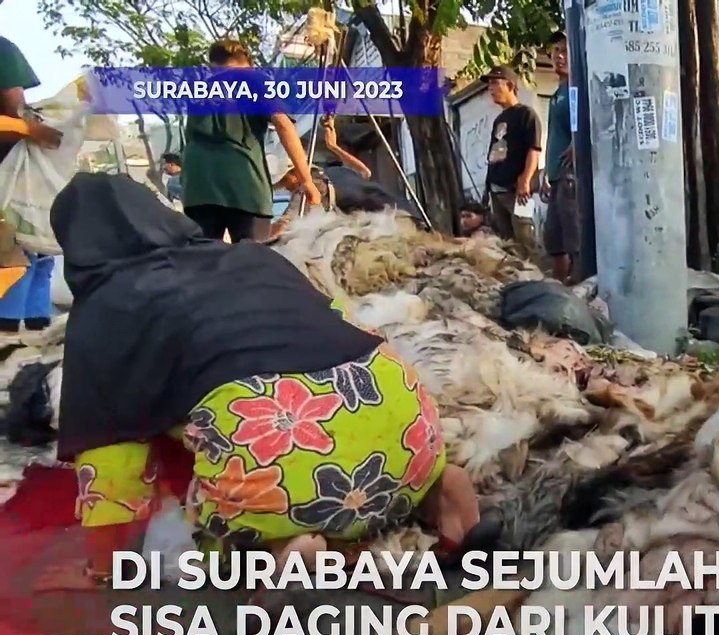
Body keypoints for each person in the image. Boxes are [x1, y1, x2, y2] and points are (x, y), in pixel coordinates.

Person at [34, 174, 484, 591]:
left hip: (283, 449)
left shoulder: (108, 307)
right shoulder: (249, 256)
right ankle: (439, 488)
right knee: (356, 443)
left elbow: (110, 451)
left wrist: (104, 569)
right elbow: (334, 323)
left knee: (195, 534)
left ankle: (280, 548)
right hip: (406, 417)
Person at [181, 39, 320, 244]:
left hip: (198, 187)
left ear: (212, 65)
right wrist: (307, 181)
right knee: (254, 258)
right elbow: (283, 125)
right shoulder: (254, 79)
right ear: (249, 63)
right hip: (243, 182)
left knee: (203, 260)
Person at [0, 36, 61, 336]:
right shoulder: (2, 48)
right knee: (24, 243)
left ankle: (18, 325)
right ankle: (23, 327)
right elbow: (15, 104)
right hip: (7, 159)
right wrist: (36, 128)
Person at [269, 116, 373, 239]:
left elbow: (283, 225)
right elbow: (365, 172)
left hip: (334, 198)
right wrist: (334, 147)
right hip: (355, 208)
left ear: (295, 172)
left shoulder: (310, 185)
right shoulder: (344, 175)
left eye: (286, 182)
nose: (287, 188)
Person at [482, 66, 541, 253]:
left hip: (517, 190)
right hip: (496, 189)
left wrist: (525, 180)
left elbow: (534, 149)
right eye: (489, 85)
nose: (491, 89)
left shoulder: (526, 114)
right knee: (505, 244)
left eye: (495, 83)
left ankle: (534, 278)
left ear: (510, 85)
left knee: (525, 240)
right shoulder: (499, 119)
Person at [540, 33, 579, 284]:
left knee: (574, 238)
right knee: (553, 240)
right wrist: (545, 173)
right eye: (555, 52)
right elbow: (553, 135)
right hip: (554, 176)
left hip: (570, 176)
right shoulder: (557, 94)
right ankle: (560, 287)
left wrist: (578, 143)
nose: (559, 56)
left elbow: (589, 122)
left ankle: (580, 287)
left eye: (565, 51)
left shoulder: (578, 90)